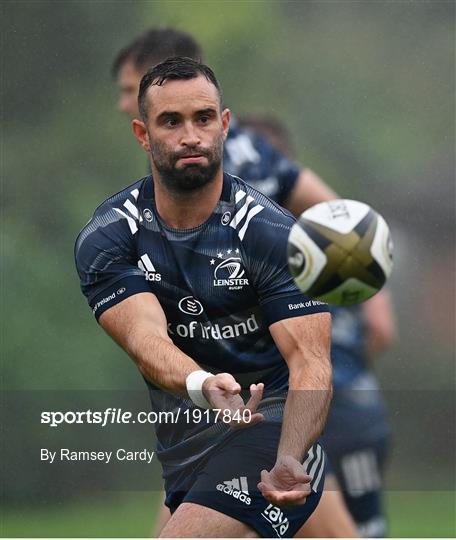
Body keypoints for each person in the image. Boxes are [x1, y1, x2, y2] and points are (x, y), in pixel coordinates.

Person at [111, 27, 359, 538]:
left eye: (126, 86)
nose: (119, 102)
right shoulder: (132, 217)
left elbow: (324, 226)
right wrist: (361, 280)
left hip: (276, 378)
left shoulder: (238, 178)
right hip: (211, 401)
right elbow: (339, 223)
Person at [240, 114, 396, 537]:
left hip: (323, 413)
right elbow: (381, 331)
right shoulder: (335, 244)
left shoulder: (256, 248)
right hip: (352, 410)